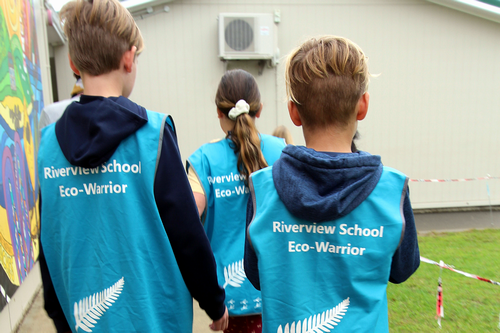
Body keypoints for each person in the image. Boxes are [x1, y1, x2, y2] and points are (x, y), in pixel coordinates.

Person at [38, 0, 228, 332]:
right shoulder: (152, 136)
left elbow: (50, 240)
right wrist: (214, 303)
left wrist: (59, 316)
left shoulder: (48, 146)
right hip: (155, 321)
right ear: (129, 57)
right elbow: (186, 233)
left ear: (72, 61)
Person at [244, 36, 420, 333]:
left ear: (294, 112)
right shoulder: (391, 191)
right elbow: (401, 270)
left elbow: (257, 274)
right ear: (362, 106)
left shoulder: (262, 190)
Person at [186, 69, 286, 333]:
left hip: (230, 304)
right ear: (260, 109)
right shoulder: (283, 152)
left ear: (219, 112)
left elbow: (186, 223)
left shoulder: (203, 160)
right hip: (279, 296)